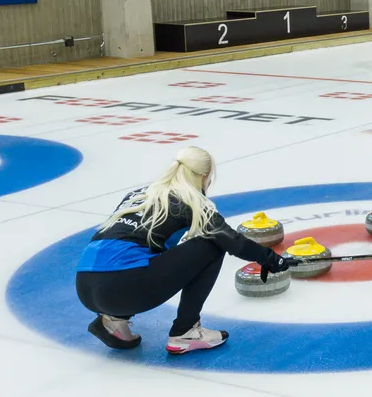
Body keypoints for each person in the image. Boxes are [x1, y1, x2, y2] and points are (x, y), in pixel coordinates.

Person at [75, 146, 291, 355]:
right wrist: (271, 259)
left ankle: (112, 321)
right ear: (204, 176)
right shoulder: (192, 200)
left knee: (136, 255)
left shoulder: (137, 195)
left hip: (85, 287)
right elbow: (230, 240)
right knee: (212, 243)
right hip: (125, 289)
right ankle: (186, 330)